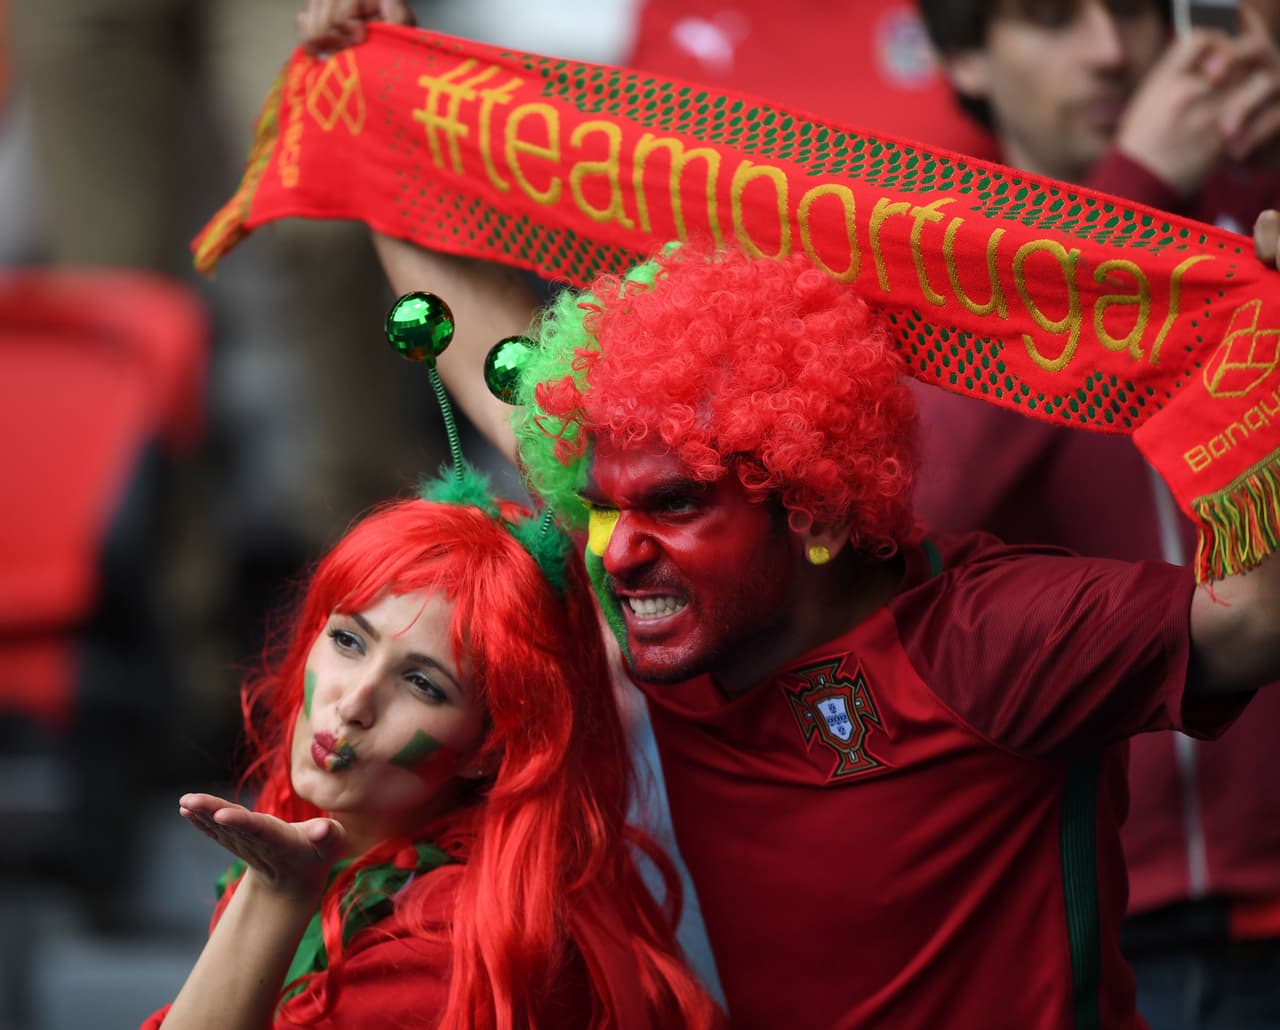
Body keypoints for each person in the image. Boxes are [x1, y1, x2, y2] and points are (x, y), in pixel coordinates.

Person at [484, 231, 1280, 1029]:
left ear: (815, 507)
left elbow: (1258, 616)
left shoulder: (989, 637)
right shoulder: (678, 620)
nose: (616, 553)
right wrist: (383, 139)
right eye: (600, 507)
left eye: (678, 504)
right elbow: (480, 343)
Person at [915, 4, 1280, 1025]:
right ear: (962, 57)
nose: (1112, 51)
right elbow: (919, 499)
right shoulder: (926, 257)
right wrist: (1128, 197)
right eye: (1048, 17)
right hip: (1080, 916)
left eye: (1128, 9)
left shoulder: (1257, 224)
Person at [140, 487, 723, 1028]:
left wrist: (275, 893)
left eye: (423, 684)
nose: (354, 702)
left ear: (489, 749)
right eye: (349, 640)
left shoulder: (448, 943)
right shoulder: (340, 848)